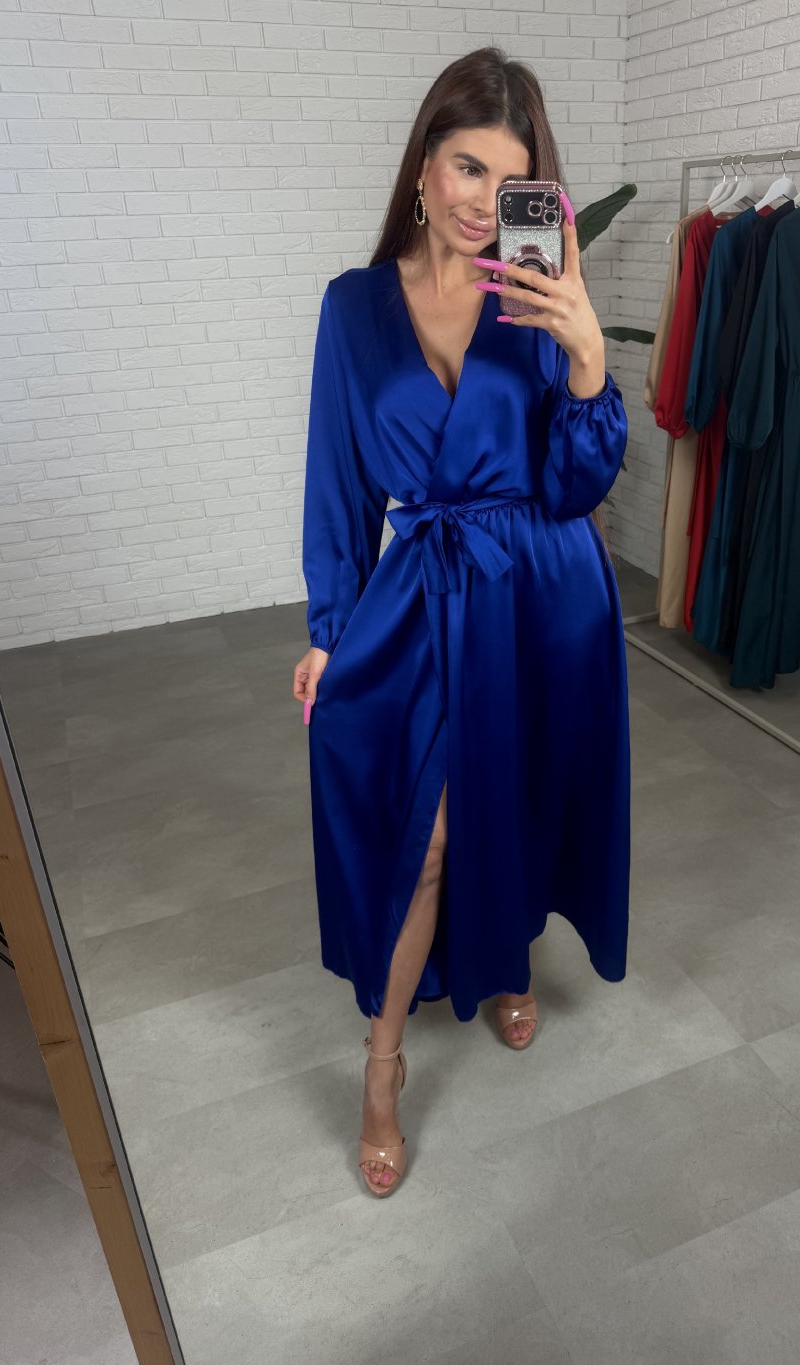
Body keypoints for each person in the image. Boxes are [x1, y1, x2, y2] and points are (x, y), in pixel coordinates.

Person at [292, 47, 630, 1198]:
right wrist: (328, 627)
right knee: (424, 831)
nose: (487, 201)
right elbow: (337, 486)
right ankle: (382, 1064)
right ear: (425, 167)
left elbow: (576, 484)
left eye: (512, 179)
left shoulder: (539, 298)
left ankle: (506, 960)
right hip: (424, 587)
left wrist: (585, 353)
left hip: (543, 585)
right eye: (468, 167)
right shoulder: (353, 308)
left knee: (520, 785)